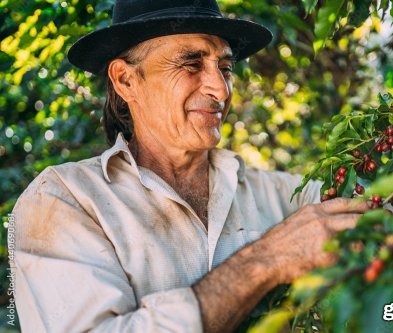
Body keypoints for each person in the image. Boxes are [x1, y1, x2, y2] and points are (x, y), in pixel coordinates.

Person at [12, 1, 370, 332]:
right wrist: (265, 260)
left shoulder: (285, 196)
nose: (221, 89)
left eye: (226, 68)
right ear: (126, 80)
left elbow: (389, 220)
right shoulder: (64, 201)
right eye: (191, 64)